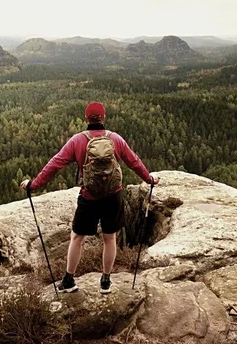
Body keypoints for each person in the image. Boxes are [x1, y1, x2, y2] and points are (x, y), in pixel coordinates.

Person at [21, 101, 159, 294]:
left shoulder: (78, 141)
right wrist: (149, 179)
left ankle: (69, 280)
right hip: (113, 196)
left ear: (86, 118)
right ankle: (105, 281)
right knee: (109, 238)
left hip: (89, 197)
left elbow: (55, 165)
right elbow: (133, 162)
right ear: (104, 118)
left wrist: (33, 185)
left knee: (77, 237)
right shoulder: (115, 139)